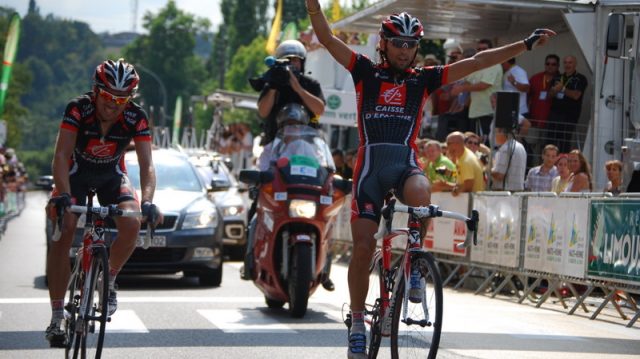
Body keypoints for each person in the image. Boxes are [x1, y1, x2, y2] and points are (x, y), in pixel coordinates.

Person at [307, 4, 553, 356]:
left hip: (405, 164)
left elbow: (477, 63)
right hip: (370, 169)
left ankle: (415, 265)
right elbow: (328, 39)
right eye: (398, 44)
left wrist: (524, 46)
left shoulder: (423, 78)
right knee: (363, 248)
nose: (405, 51)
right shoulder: (365, 72)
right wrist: (314, 8)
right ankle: (358, 321)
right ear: (384, 44)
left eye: (411, 45)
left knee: (422, 192)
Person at [45, 59, 162, 347]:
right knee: (67, 226)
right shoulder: (78, 109)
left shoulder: (137, 117)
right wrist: (61, 194)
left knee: (132, 223)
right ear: (96, 91)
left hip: (111, 175)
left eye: (122, 98)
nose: (114, 104)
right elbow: (61, 156)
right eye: (109, 96)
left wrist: (147, 201)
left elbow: (147, 166)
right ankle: (57, 315)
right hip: (75, 175)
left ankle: (107, 281)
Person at [257, 39, 326, 147]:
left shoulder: (311, 84)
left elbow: (320, 110)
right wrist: (273, 86)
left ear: (302, 63)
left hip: (306, 144)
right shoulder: (272, 84)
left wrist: (299, 89)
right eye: (287, 60)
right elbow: (263, 112)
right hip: (275, 143)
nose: (292, 63)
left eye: (295, 60)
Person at [451, 39, 504, 143]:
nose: (481, 51)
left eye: (484, 49)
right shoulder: (479, 65)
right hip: (475, 112)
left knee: (483, 145)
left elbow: (484, 85)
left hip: (487, 112)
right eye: (479, 49)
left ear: (491, 50)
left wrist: (461, 88)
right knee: (474, 144)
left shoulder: (494, 65)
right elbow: (467, 81)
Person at [546, 55, 588, 153]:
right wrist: (554, 91)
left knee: (564, 144)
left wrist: (563, 89)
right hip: (554, 116)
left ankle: (563, 166)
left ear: (575, 64)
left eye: (570, 62)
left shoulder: (580, 78)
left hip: (569, 117)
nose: (567, 65)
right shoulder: (558, 77)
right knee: (550, 144)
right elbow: (549, 95)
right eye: (565, 62)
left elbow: (576, 95)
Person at [527, 54, 560, 157]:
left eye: (553, 64)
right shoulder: (535, 78)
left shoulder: (561, 80)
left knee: (548, 149)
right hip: (535, 120)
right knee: (532, 146)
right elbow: (527, 97)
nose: (550, 66)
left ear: (558, 66)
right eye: (548, 63)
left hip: (551, 123)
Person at [490, 127, 527, 191]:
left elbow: (499, 176)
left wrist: (486, 169)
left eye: (495, 133)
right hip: (517, 192)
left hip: (504, 194)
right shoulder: (521, 146)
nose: (494, 136)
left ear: (501, 132)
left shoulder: (505, 148)